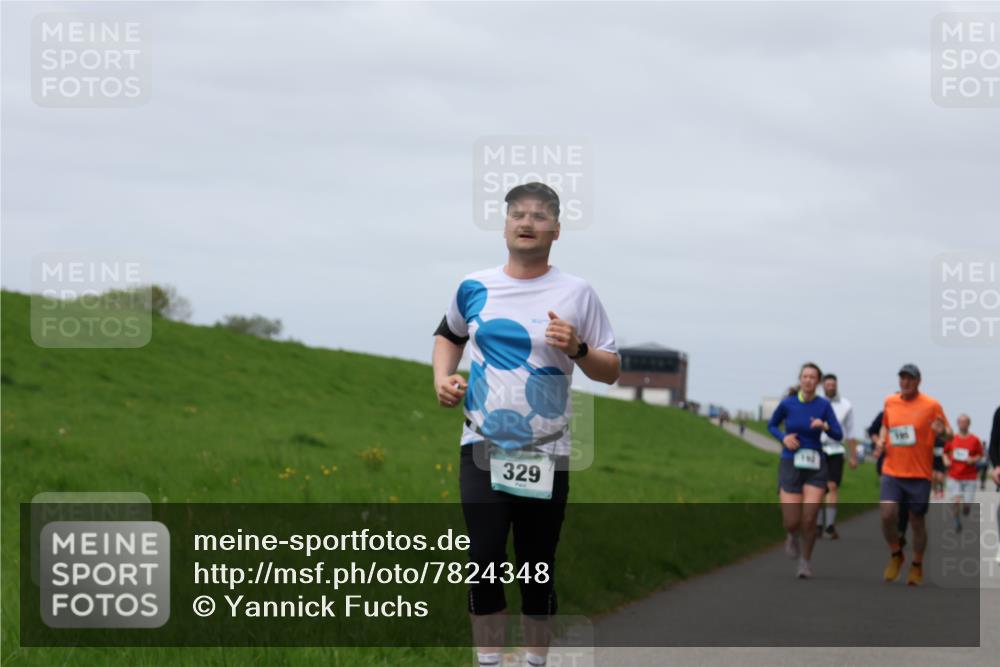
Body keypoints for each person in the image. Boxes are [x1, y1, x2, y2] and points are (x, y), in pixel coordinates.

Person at [432, 182, 619, 667]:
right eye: (518, 214)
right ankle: (489, 661)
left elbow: (611, 369)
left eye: (539, 216)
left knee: (536, 566)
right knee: (484, 559)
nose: (527, 222)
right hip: (482, 443)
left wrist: (578, 348)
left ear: (555, 230)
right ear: (505, 226)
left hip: (546, 451)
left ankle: (535, 661)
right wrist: (442, 378)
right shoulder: (475, 286)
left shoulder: (577, 292)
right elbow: (448, 335)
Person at [873, 364, 952, 586]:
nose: (905, 382)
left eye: (910, 378)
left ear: (918, 381)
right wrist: (881, 439)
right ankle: (896, 554)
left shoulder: (931, 405)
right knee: (887, 514)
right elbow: (886, 427)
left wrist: (942, 431)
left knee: (917, 521)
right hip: (892, 470)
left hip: (919, 473)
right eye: (902, 378)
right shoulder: (890, 401)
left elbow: (950, 435)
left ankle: (917, 564)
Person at [768, 362, 843, 579]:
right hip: (790, 461)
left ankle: (805, 562)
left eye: (812, 377)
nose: (808, 380)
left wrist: (824, 426)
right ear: (800, 379)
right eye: (805, 376)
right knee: (792, 521)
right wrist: (784, 437)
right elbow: (772, 425)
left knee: (809, 519)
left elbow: (838, 434)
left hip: (815, 464)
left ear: (818, 382)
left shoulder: (824, 406)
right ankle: (791, 535)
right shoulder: (788, 403)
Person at [816, 373, 857, 539]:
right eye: (827, 384)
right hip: (818, 448)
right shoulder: (815, 402)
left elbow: (851, 432)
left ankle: (830, 525)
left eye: (833, 384)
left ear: (837, 385)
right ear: (823, 386)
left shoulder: (845, 405)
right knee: (818, 487)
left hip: (836, 449)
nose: (830, 387)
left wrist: (852, 455)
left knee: (832, 486)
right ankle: (818, 524)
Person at [870, 408, 909, 548]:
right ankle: (892, 529)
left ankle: (901, 531)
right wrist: (879, 442)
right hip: (887, 462)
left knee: (904, 501)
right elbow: (872, 431)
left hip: (908, 464)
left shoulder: (914, 416)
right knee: (890, 501)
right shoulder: (884, 414)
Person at [942, 414, 984, 532]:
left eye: (965, 422)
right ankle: (957, 523)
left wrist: (973, 459)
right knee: (956, 501)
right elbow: (945, 453)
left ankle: (966, 508)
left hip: (970, 476)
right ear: (957, 423)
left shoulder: (974, 440)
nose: (963, 424)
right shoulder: (952, 439)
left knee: (966, 505)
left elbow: (980, 455)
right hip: (954, 476)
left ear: (969, 424)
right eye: (960, 422)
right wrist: (946, 461)